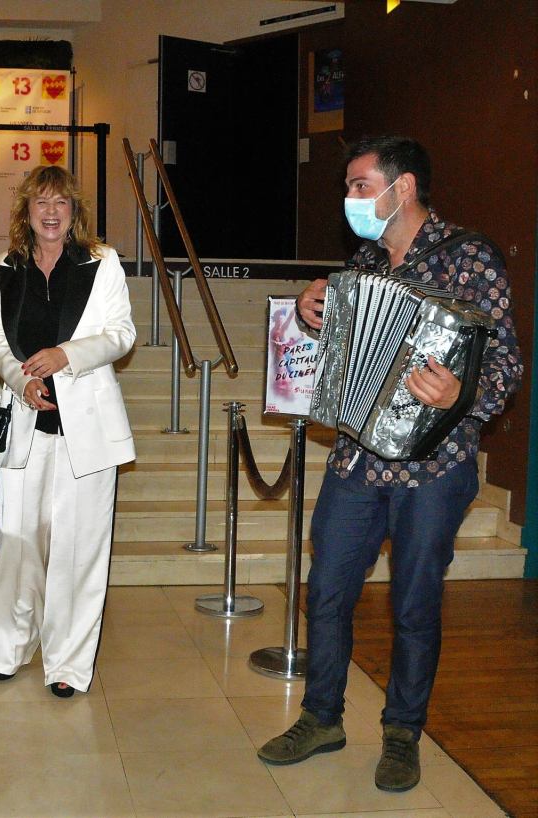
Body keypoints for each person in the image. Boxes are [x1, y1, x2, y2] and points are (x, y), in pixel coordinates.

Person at [257, 136, 522, 792]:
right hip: (356, 459)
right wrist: (309, 314)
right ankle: (321, 718)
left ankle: (403, 733)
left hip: (434, 466)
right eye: (349, 187)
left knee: (414, 602)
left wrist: (463, 395)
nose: (350, 199)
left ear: (402, 188)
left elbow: (506, 362)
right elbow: (339, 355)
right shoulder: (365, 262)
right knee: (326, 591)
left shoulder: (470, 256)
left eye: (360, 186)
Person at [0, 165, 136, 698]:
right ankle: (9, 646)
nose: (51, 212)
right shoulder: (5, 267)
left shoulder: (102, 262)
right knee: (17, 540)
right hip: (25, 421)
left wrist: (66, 355)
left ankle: (68, 663)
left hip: (86, 429)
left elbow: (121, 334)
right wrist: (20, 379)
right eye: (41, 202)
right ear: (27, 211)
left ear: (74, 212)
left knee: (79, 547)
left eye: (61, 203)